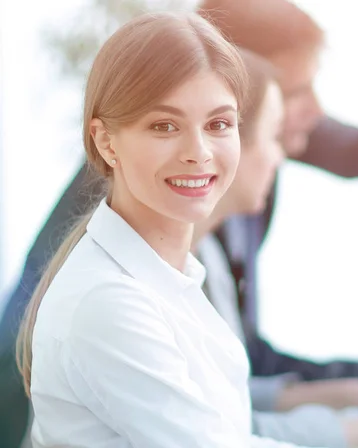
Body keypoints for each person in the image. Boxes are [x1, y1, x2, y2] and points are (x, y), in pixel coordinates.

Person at [14, 12, 309, 448]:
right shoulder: (109, 302)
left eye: (219, 124)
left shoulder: (173, 278)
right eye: (164, 126)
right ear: (105, 141)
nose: (199, 152)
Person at [194, 49, 358, 447]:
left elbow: (234, 391)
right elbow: (215, 431)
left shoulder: (204, 257)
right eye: (271, 135)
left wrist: (353, 394)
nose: (281, 157)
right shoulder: (150, 280)